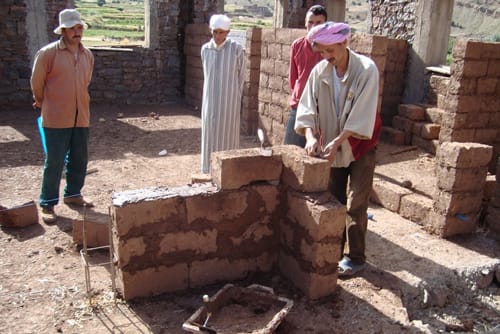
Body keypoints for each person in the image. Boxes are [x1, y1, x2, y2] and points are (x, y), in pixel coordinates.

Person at [295, 22, 382, 277]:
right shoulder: (320, 71)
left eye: (329, 50)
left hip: (360, 145)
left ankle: (356, 258)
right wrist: (311, 136)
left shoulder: (367, 70)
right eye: (321, 52)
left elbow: (361, 116)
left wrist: (337, 142)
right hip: (330, 144)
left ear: (344, 43)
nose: (325, 57)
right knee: (334, 200)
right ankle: (333, 252)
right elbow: (307, 107)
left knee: (356, 203)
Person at [31, 9, 95, 223]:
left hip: (81, 115)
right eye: (72, 28)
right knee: (55, 161)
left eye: (79, 28)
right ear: (63, 30)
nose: (76, 32)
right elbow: (36, 82)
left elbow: (86, 82)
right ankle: (47, 203)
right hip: (57, 116)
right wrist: (42, 101)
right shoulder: (48, 54)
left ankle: (73, 194)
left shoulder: (87, 55)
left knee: (80, 157)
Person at [200, 14, 245, 174]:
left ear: (228, 32)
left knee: (228, 135)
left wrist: (234, 97)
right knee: (210, 135)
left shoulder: (236, 49)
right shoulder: (205, 49)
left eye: (221, 32)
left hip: (229, 101)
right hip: (210, 101)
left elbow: (241, 77)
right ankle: (208, 170)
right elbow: (207, 76)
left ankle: (229, 171)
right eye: (215, 32)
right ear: (210, 31)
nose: (218, 36)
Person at [284, 5, 327, 147]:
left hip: (322, 109)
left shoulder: (331, 48)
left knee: (317, 153)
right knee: (290, 149)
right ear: (305, 23)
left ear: (325, 24)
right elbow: (293, 79)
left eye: (319, 23)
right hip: (299, 105)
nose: (314, 26)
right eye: (310, 22)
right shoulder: (297, 45)